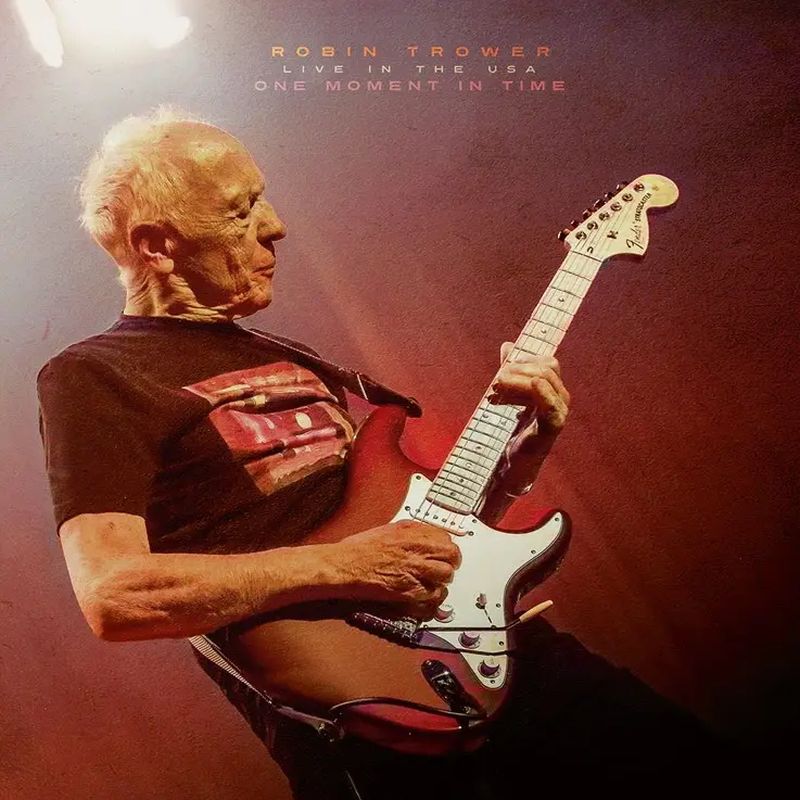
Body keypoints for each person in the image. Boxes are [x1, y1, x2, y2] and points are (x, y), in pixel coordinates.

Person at [37, 106, 735, 799]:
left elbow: (419, 541)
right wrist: (344, 565)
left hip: (495, 648)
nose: (275, 225)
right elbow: (115, 594)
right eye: (240, 210)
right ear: (157, 245)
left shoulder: (295, 358)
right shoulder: (96, 374)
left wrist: (522, 457)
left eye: (262, 199)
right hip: (363, 717)